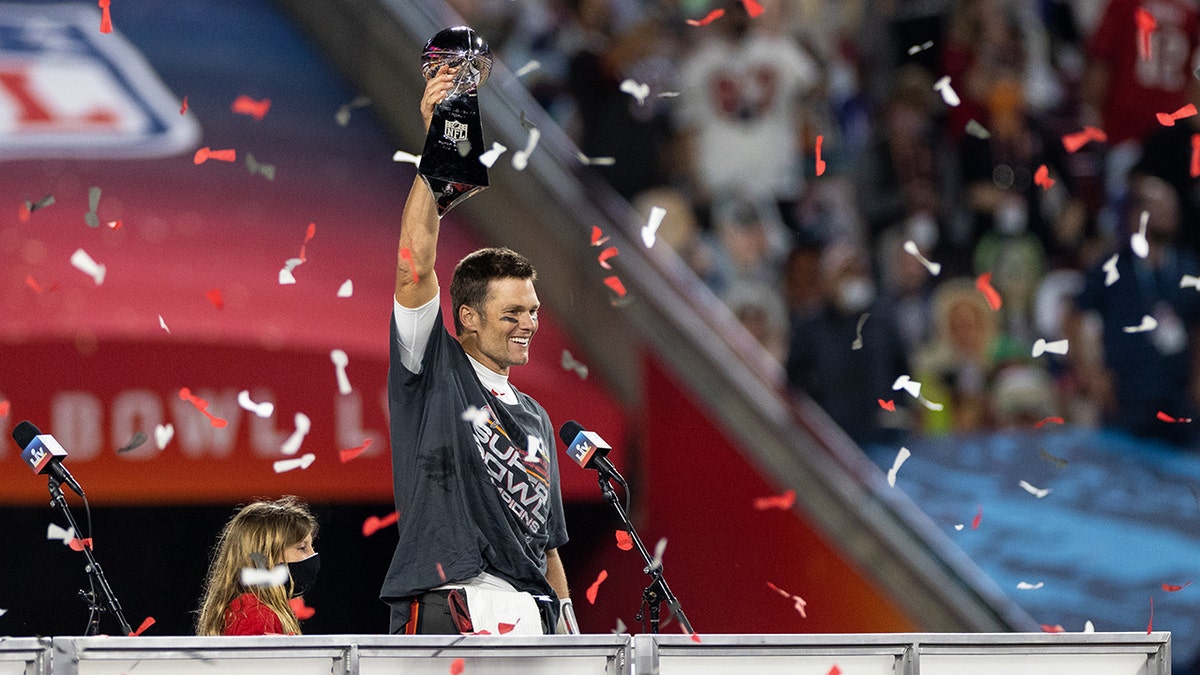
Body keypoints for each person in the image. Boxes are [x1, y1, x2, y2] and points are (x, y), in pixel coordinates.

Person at [381, 65, 572, 636]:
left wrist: (570, 632)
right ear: (467, 317)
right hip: (453, 604)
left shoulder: (536, 416)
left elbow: (548, 546)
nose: (527, 325)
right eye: (511, 313)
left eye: (533, 311)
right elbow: (413, 265)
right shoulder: (431, 370)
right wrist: (437, 149)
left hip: (530, 615)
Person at [195, 496, 320, 636]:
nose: (313, 555)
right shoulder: (255, 613)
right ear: (266, 556)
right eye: (302, 548)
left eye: (312, 546)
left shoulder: (256, 609)